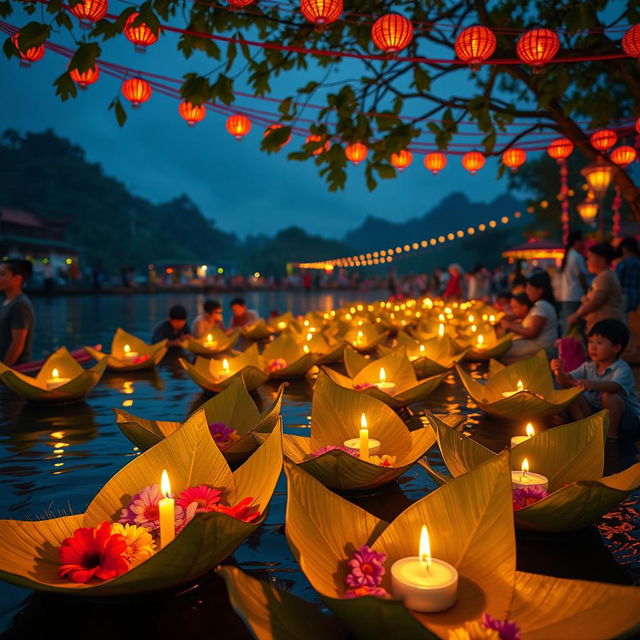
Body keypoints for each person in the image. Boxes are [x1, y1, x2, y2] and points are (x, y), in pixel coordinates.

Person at [551, 319, 640, 440]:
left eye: (599, 342)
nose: (592, 347)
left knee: (609, 396)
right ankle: (586, 428)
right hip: (597, 413)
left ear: (616, 348)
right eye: (590, 341)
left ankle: (610, 436)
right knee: (573, 393)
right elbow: (566, 382)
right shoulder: (589, 366)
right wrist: (559, 371)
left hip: (626, 419)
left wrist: (590, 384)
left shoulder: (621, 367)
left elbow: (614, 386)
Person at [500, 271, 559, 362]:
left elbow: (532, 333)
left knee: (500, 352)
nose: (527, 292)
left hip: (541, 346)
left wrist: (510, 326)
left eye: (530, 289)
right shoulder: (539, 305)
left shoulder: (542, 306)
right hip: (537, 344)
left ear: (540, 290)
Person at [567, 243, 625, 333]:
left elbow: (595, 301)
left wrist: (577, 314)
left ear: (601, 260)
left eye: (590, 258)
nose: (587, 262)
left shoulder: (605, 276)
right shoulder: (603, 276)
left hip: (607, 326)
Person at [0, 259, 35, 366]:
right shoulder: (5, 302)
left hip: (15, 370)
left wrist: (4, 371)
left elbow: (17, 344)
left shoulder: (20, 305)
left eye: (2, 274)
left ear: (17, 279)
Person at [557, 231, 588, 331]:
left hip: (567, 296)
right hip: (576, 296)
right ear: (576, 242)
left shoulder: (568, 255)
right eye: (582, 240)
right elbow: (581, 276)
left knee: (569, 327)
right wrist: (587, 291)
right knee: (576, 328)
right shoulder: (577, 256)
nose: (584, 243)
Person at [616, 237, 640, 313]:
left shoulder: (623, 264)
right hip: (637, 298)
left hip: (623, 298)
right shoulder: (638, 262)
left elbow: (617, 282)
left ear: (624, 249)